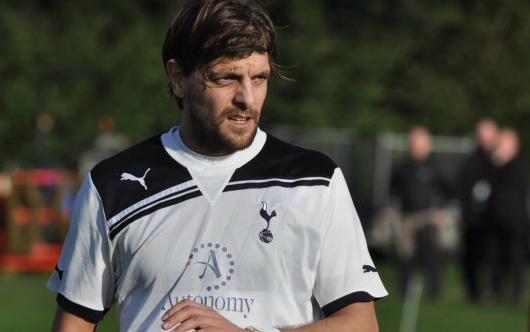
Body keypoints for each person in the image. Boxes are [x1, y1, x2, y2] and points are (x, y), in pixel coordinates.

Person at [48, 1, 387, 331]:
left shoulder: (315, 182)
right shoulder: (112, 186)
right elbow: (74, 324)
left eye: (259, 78)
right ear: (178, 77)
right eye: (226, 78)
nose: (247, 99)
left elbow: (360, 323)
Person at [391, 126, 452, 300]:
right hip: (407, 217)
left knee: (431, 252)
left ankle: (435, 291)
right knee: (405, 256)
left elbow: (448, 190)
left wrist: (441, 211)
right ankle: (404, 291)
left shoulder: (436, 166)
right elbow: (393, 191)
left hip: (429, 216)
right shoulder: (402, 167)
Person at [484, 128, 528, 303]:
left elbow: (518, 183)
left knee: (516, 258)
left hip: (516, 220)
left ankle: (517, 292)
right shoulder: (493, 164)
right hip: (495, 220)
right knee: (494, 258)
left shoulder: (520, 163)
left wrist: (503, 162)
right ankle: (494, 290)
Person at [457, 118, 498, 302]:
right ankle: (474, 292)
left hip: (495, 219)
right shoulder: (471, 160)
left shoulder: (500, 160)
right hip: (473, 219)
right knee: (472, 257)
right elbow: (464, 189)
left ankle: (493, 290)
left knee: (493, 256)